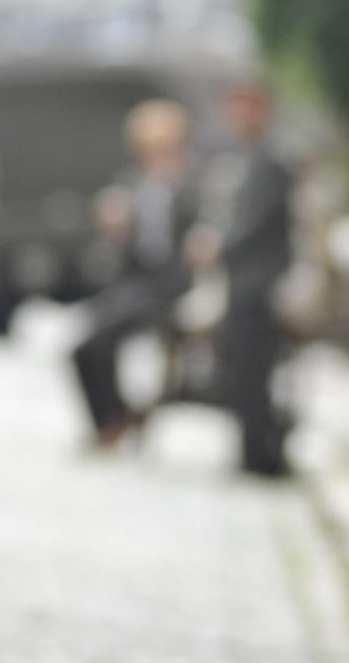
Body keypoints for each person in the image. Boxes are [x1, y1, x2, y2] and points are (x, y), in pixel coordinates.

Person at [70, 99, 201, 447]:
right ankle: (112, 417)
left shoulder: (193, 187)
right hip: (135, 282)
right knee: (85, 341)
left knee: (108, 330)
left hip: (174, 286)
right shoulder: (131, 185)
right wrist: (114, 228)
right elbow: (117, 248)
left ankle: (119, 419)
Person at [185, 81, 297, 478]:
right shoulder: (236, 160)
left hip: (259, 283)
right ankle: (251, 446)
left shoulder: (269, 162)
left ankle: (260, 451)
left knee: (253, 369)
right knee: (238, 367)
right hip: (239, 281)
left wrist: (219, 246)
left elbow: (253, 223)